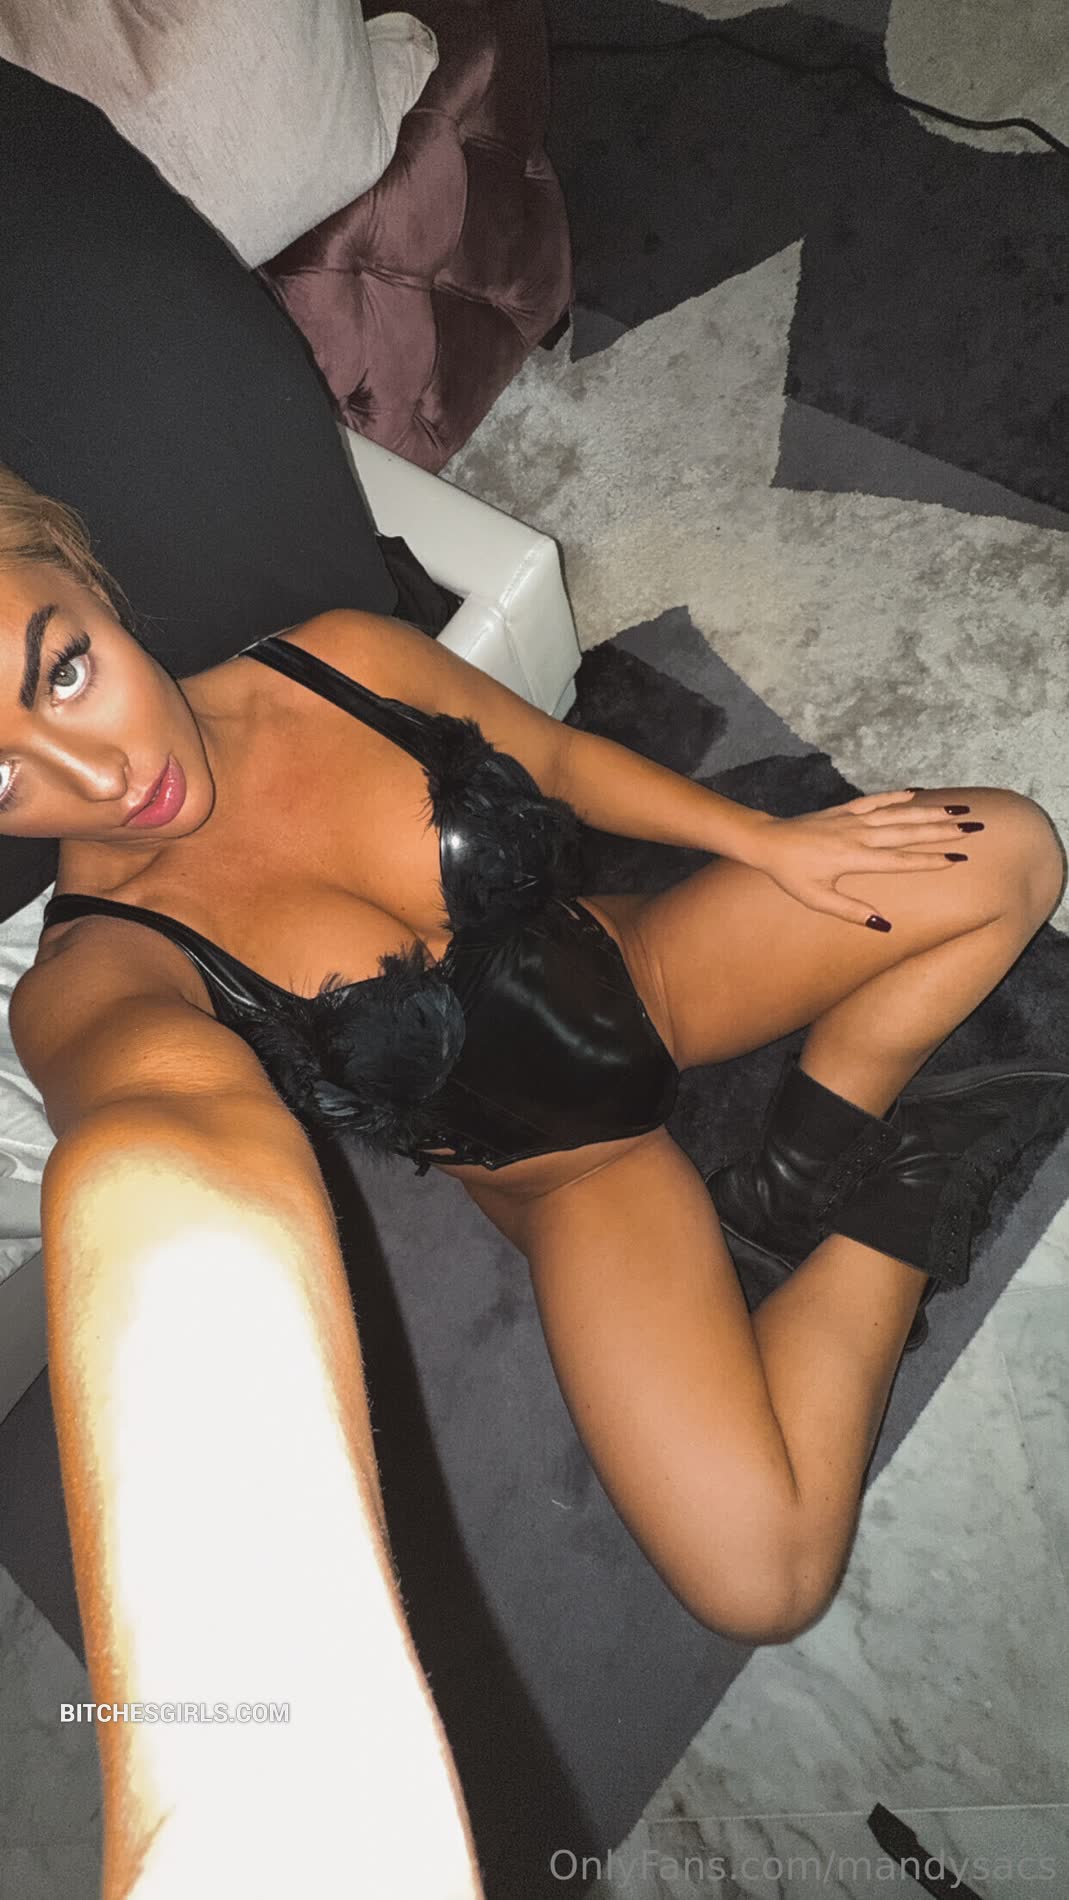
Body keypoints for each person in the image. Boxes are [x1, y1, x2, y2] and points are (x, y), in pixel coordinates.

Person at [3, 466, 1067, 1894]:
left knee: (1009, 852)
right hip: (581, 1178)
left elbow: (553, 760)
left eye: (63, 670)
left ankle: (815, 1146)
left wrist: (763, 840)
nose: (99, 780)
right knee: (764, 1574)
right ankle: (919, 1176)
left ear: (85, 580)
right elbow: (149, 1142)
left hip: (659, 970)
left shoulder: (336, 658)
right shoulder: (91, 976)